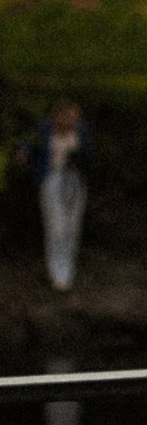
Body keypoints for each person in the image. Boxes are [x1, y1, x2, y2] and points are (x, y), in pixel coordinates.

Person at [17, 100, 88, 293]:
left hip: (75, 181)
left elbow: (88, 155)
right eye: (66, 117)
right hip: (52, 179)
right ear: (57, 116)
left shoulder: (80, 130)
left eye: (74, 118)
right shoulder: (44, 129)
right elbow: (29, 145)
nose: (71, 121)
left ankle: (67, 273)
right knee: (56, 227)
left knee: (72, 227)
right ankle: (57, 273)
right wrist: (24, 154)